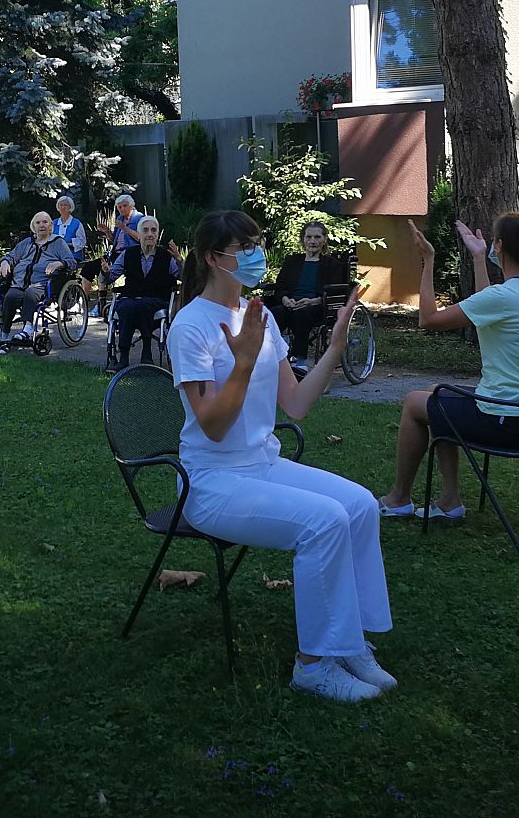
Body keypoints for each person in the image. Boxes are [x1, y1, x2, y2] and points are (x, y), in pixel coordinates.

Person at [168, 210, 393, 704]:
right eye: (245, 248)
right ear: (213, 258)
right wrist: (243, 363)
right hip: (211, 482)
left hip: (263, 466)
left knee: (360, 506)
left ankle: (350, 642)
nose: (258, 256)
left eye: (259, 244)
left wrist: (335, 348)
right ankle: (313, 666)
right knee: (324, 521)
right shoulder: (190, 327)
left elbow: (295, 404)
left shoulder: (263, 316)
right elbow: (213, 426)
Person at [377, 214, 519, 521]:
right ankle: (449, 501)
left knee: (413, 403)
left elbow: (428, 320)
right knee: (436, 394)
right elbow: (488, 305)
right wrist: (478, 258)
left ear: (498, 246)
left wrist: (428, 260)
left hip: (510, 421)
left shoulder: (505, 296)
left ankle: (398, 499)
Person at [270, 221, 351, 371]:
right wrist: (285, 299)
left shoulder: (332, 264)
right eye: (308, 237)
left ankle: (299, 360)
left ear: (324, 240)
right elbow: (280, 286)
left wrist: (313, 301)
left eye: (317, 237)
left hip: (317, 306)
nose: (312, 241)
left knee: (302, 314)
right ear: (303, 239)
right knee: (275, 313)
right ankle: (272, 355)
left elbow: (336, 291)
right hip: (291, 303)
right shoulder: (292, 261)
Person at [107, 215, 181, 364]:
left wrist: (179, 260)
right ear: (139, 234)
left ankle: (147, 351)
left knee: (143, 305)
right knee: (127, 306)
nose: (149, 234)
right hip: (131, 297)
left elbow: (184, 277)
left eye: (153, 230)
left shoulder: (166, 256)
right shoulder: (128, 254)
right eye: (145, 230)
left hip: (157, 299)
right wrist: (105, 272)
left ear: (157, 235)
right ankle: (123, 356)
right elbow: (110, 277)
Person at [0, 211, 77, 343]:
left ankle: (28, 329)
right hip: (19, 283)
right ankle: (4, 335)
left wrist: (59, 263)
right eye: (38, 223)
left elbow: (71, 262)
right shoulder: (27, 243)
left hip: (42, 285)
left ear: (51, 226)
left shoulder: (58, 243)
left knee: (30, 293)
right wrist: (5, 262)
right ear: (33, 227)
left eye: (45, 222)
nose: (41, 225)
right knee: (10, 297)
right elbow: (11, 256)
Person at [78, 194, 144, 312]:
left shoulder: (140, 218)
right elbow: (114, 240)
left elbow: (141, 238)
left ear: (132, 206)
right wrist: (107, 231)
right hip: (115, 253)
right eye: (119, 207)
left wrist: (125, 228)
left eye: (124, 206)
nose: (122, 209)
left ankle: (101, 305)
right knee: (89, 267)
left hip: (130, 255)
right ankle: (84, 302)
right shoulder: (120, 219)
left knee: (103, 271)